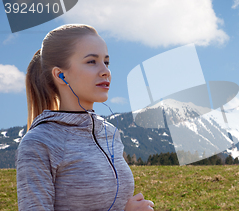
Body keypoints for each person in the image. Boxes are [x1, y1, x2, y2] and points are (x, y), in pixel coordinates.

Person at [16, 24, 154, 210]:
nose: (105, 71)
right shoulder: (39, 142)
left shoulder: (110, 132)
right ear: (61, 75)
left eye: (107, 62)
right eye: (91, 61)